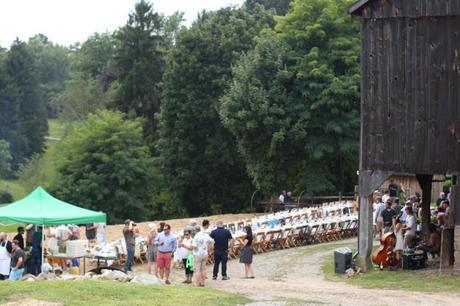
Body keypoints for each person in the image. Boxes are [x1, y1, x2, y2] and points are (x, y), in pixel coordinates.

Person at [192, 220, 214, 287]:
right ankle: (203, 282)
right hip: (205, 253)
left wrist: (195, 249)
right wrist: (210, 250)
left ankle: (197, 283)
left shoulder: (196, 236)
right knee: (203, 269)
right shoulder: (206, 235)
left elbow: (194, 246)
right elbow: (212, 241)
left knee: (197, 269)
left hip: (198, 254)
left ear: (196, 230)